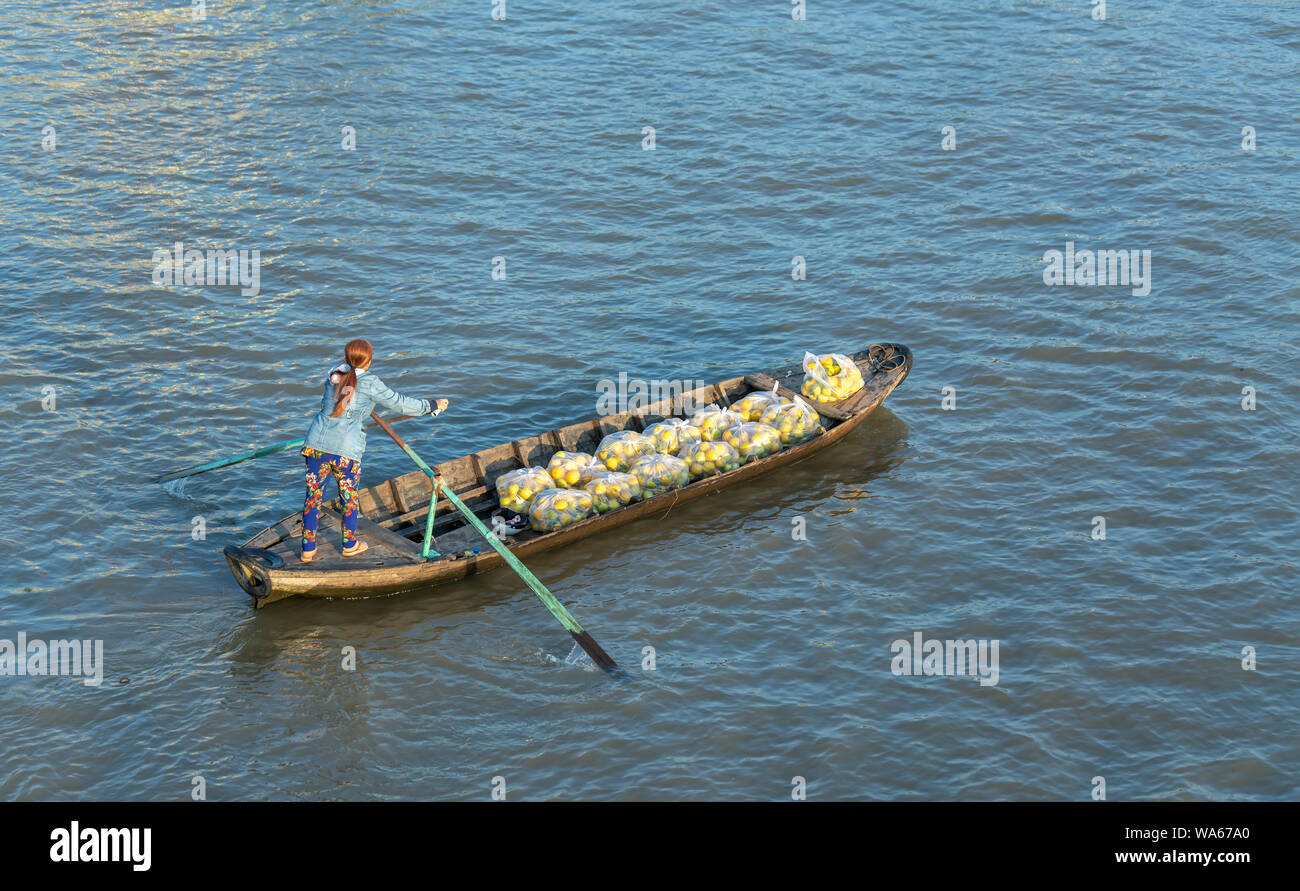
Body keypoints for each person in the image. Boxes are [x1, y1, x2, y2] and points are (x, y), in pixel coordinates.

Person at [300, 338, 448, 562]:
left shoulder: (334, 373)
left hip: (315, 445)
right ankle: (349, 545)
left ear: (346, 357)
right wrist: (432, 406)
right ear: (369, 360)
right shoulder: (371, 382)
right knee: (348, 498)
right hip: (345, 449)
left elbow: (345, 394)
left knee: (313, 498)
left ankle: (307, 550)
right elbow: (400, 403)